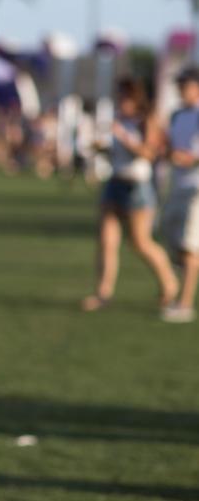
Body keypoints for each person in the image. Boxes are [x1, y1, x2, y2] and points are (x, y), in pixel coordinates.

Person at [81, 78, 178, 312]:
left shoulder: (147, 120)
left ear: (135, 98)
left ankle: (170, 284)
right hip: (115, 183)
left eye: (124, 96)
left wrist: (124, 137)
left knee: (141, 243)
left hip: (138, 187)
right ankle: (103, 293)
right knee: (106, 241)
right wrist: (101, 147)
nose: (121, 101)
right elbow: (118, 152)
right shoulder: (118, 119)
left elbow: (147, 154)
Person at [161, 66, 199, 323]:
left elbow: (191, 156)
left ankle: (184, 305)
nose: (180, 91)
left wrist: (183, 158)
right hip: (178, 185)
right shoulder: (177, 116)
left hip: (196, 187)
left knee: (189, 248)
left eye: (184, 86)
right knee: (169, 237)